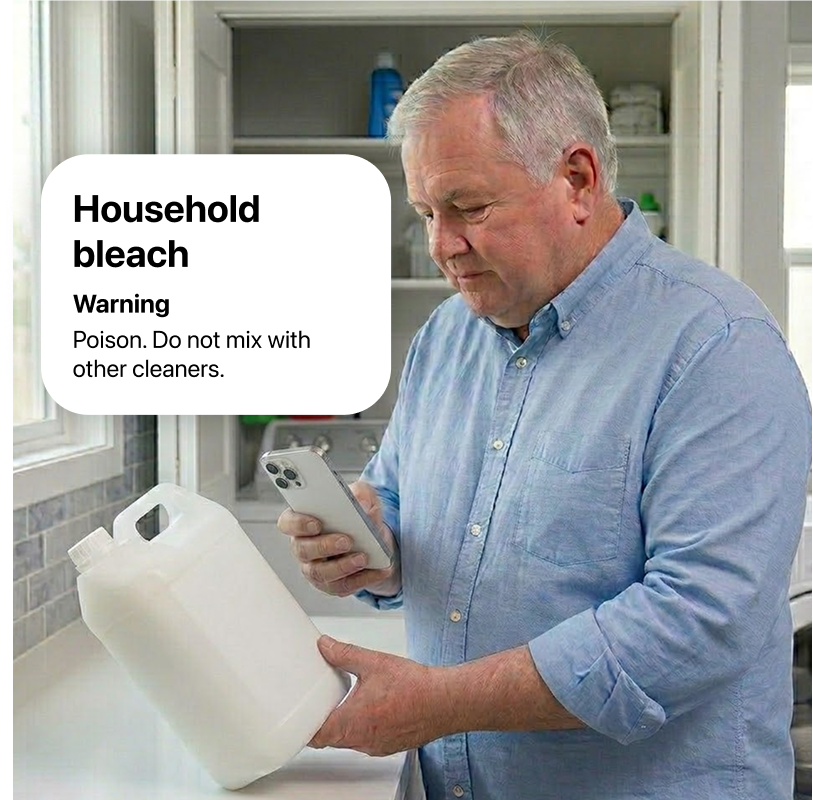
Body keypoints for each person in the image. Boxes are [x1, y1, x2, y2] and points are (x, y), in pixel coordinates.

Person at [277, 33, 812, 800]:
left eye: (468, 207)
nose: (441, 246)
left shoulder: (717, 347)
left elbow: (698, 622)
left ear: (577, 179)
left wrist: (437, 704)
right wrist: (372, 544)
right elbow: (403, 501)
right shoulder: (447, 336)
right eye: (426, 212)